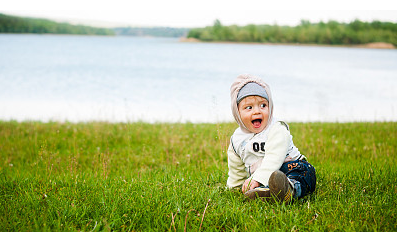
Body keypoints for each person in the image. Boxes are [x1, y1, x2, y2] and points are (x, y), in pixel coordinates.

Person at [227, 74, 316, 203]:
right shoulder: (236, 140)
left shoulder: (276, 128)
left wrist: (258, 178)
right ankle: (268, 192)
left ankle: (289, 189)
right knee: (268, 181)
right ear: (237, 112)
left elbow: (275, 157)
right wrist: (235, 187)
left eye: (263, 105)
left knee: (300, 176)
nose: (257, 111)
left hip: (293, 167)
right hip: (264, 177)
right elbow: (236, 169)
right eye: (249, 107)